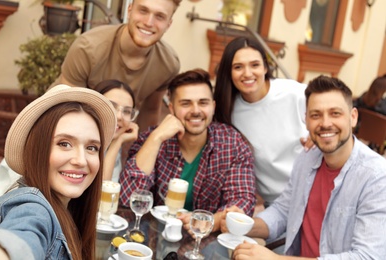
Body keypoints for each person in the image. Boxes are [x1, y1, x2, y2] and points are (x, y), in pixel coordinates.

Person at [226, 75, 386, 259]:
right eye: (316, 115)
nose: (325, 123)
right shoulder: (307, 158)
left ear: (353, 117)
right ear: (306, 120)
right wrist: (243, 224)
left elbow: (368, 256)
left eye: (335, 113)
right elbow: (284, 210)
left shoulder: (377, 177)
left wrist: (276, 259)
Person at [119, 68, 256, 232]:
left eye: (203, 103)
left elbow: (242, 201)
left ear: (213, 107)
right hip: (153, 237)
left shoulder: (232, 143)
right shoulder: (152, 139)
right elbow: (127, 200)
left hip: (205, 242)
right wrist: (156, 138)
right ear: (171, 108)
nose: (196, 110)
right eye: (186, 103)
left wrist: (211, 221)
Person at [0, 85, 117, 259]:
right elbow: (20, 240)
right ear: (37, 149)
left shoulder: (71, 212)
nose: (81, 160)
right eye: (64, 144)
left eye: (91, 147)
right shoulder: (33, 208)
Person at [52, 0, 181, 131]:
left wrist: (140, 148)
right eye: (143, 11)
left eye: (160, 16)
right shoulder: (88, 48)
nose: (149, 22)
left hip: (113, 130)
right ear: (129, 11)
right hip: (57, 121)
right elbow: (67, 108)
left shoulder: (168, 64)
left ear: (168, 24)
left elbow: (150, 111)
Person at [214, 36, 312, 209]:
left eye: (255, 65)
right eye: (238, 67)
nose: (247, 73)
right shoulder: (227, 111)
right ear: (228, 72)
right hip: (276, 205)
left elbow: (338, 121)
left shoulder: (295, 93)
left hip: (313, 193)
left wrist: (317, 137)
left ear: (265, 67)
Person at [96, 80, 139, 182]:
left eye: (127, 111)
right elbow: (100, 190)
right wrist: (117, 142)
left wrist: (117, 142)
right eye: (111, 105)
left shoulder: (113, 145)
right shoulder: (80, 141)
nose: (119, 116)